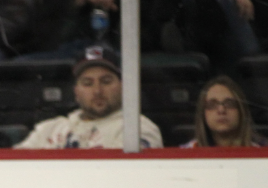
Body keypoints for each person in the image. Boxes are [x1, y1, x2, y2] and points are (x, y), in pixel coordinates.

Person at [15, 46, 163, 149]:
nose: (97, 91)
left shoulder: (137, 129)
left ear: (123, 87)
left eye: (106, 81)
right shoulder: (48, 129)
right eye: (87, 83)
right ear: (76, 92)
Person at [183, 75, 267, 147]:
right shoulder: (183, 155)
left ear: (241, 111)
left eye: (229, 104)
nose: (221, 110)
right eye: (212, 105)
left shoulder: (261, 153)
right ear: (203, 114)